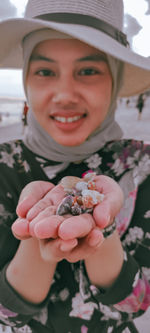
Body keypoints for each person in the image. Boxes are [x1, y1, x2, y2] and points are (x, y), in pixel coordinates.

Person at [0, 0, 150, 332]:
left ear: (115, 77)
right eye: (44, 71)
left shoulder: (142, 167)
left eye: (88, 70)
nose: (65, 94)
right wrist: (33, 228)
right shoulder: (3, 167)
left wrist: (102, 228)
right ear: (26, 78)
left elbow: (137, 302)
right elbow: (5, 312)